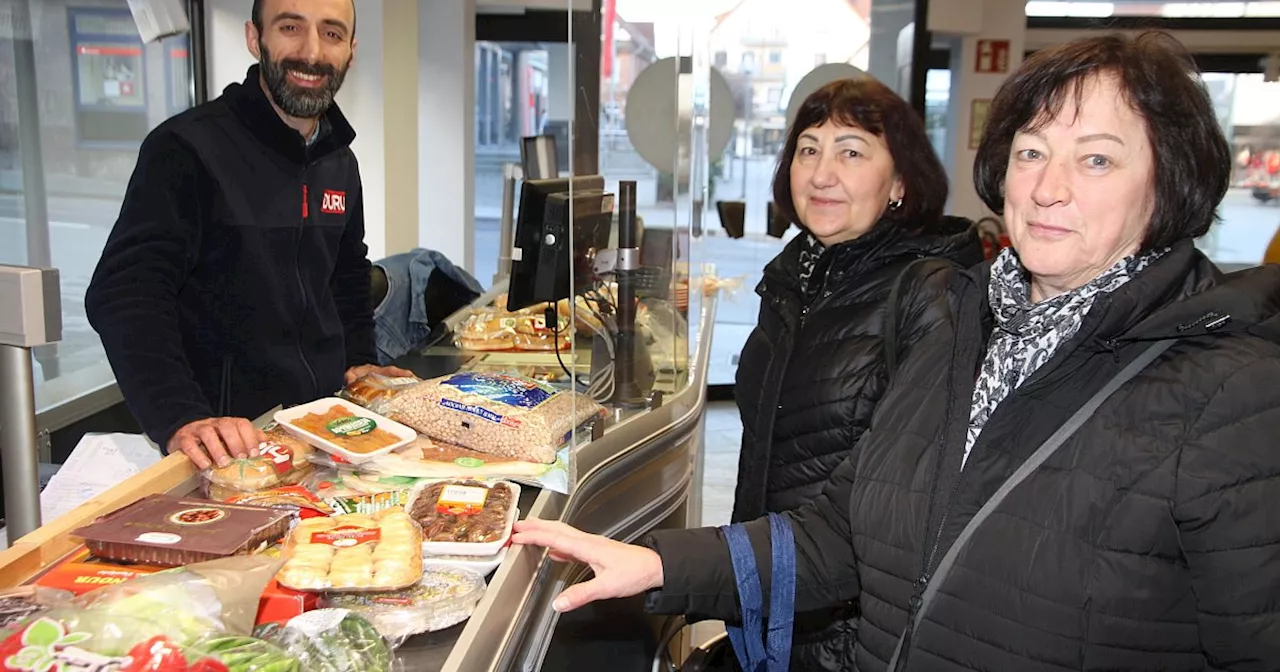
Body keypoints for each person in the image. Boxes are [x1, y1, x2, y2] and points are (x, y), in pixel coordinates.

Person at [513, 32, 1280, 670]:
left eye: (1098, 159)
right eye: (1032, 151)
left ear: (1169, 185)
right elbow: (841, 535)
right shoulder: (961, 331)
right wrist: (657, 565)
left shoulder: (1233, 394)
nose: (1049, 188)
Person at [85, 0, 408, 471]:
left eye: (332, 34)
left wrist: (360, 362)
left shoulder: (339, 161)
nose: (312, 52)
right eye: (291, 27)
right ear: (255, 39)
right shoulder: (186, 149)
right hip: (224, 447)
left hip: (320, 434)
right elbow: (125, 294)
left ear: (351, 52)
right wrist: (181, 417)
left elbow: (346, 277)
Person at [731, 78, 981, 669]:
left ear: (899, 181)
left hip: (851, 626)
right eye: (808, 148)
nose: (820, 174)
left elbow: (910, 499)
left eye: (851, 151)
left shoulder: (930, 294)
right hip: (775, 593)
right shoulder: (797, 277)